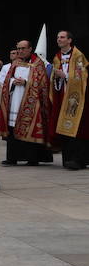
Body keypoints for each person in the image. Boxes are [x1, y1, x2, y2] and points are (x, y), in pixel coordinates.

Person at [0, 40, 53, 166]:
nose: (20, 51)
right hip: (15, 100)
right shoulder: (15, 63)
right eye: (19, 49)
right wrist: (12, 82)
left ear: (30, 49)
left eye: (23, 48)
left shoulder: (38, 64)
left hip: (32, 104)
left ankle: (32, 157)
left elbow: (43, 84)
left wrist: (26, 83)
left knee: (30, 127)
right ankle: (13, 157)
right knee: (12, 127)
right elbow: (6, 81)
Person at [50, 30, 89, 170]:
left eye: (62, 37)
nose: (59, 39)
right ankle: (68, 159)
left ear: (69, 40)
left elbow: (82, 77)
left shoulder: (78, 56)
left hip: (76, 99)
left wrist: (65, 75)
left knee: (78, 129)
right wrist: (57, 78)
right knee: (64, 128)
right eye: (58, 37)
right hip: (62, 97)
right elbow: (54, 80)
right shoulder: (57, 57)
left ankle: (79, 160)